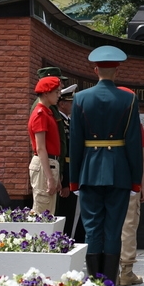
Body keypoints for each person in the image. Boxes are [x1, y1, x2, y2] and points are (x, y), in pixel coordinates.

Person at [69, 45, 143, 286]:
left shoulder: (80, 98)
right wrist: (136, 180)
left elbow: (75, 142)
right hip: (119, 172)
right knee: (113, 229)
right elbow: (133, 142)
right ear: (117, 70)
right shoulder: (128, 99)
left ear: (95, 70)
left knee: (92, 229)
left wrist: (74, 179)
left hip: (89, 171)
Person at [116, 87, 144, 286]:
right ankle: (126, 272)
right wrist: (142, 185)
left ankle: (109, 271)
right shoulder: (135, 124)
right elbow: (143, 157)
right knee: (128, 225)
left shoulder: (106, 121)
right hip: (129, 181)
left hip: (107, 181)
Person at [28, 76, 62, 215]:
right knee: (42, 213)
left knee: (47, 211)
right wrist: (49, 177)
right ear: (46, 93)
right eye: (56, 92)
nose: (59, 95)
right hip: (44, 164)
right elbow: (41, 148)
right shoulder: (40, 114)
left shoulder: (47, 112)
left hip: (49, 164)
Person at [55, 84, 83, 241]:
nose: (73, 105)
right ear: (62, 104)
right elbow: (64, 155)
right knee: (65, 214)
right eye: (70, 102)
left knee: (72, 213)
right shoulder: (60, 124)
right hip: (67, 176)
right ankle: (62, 242)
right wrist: (66, 182)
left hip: (73, 174)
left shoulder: (69, 122)